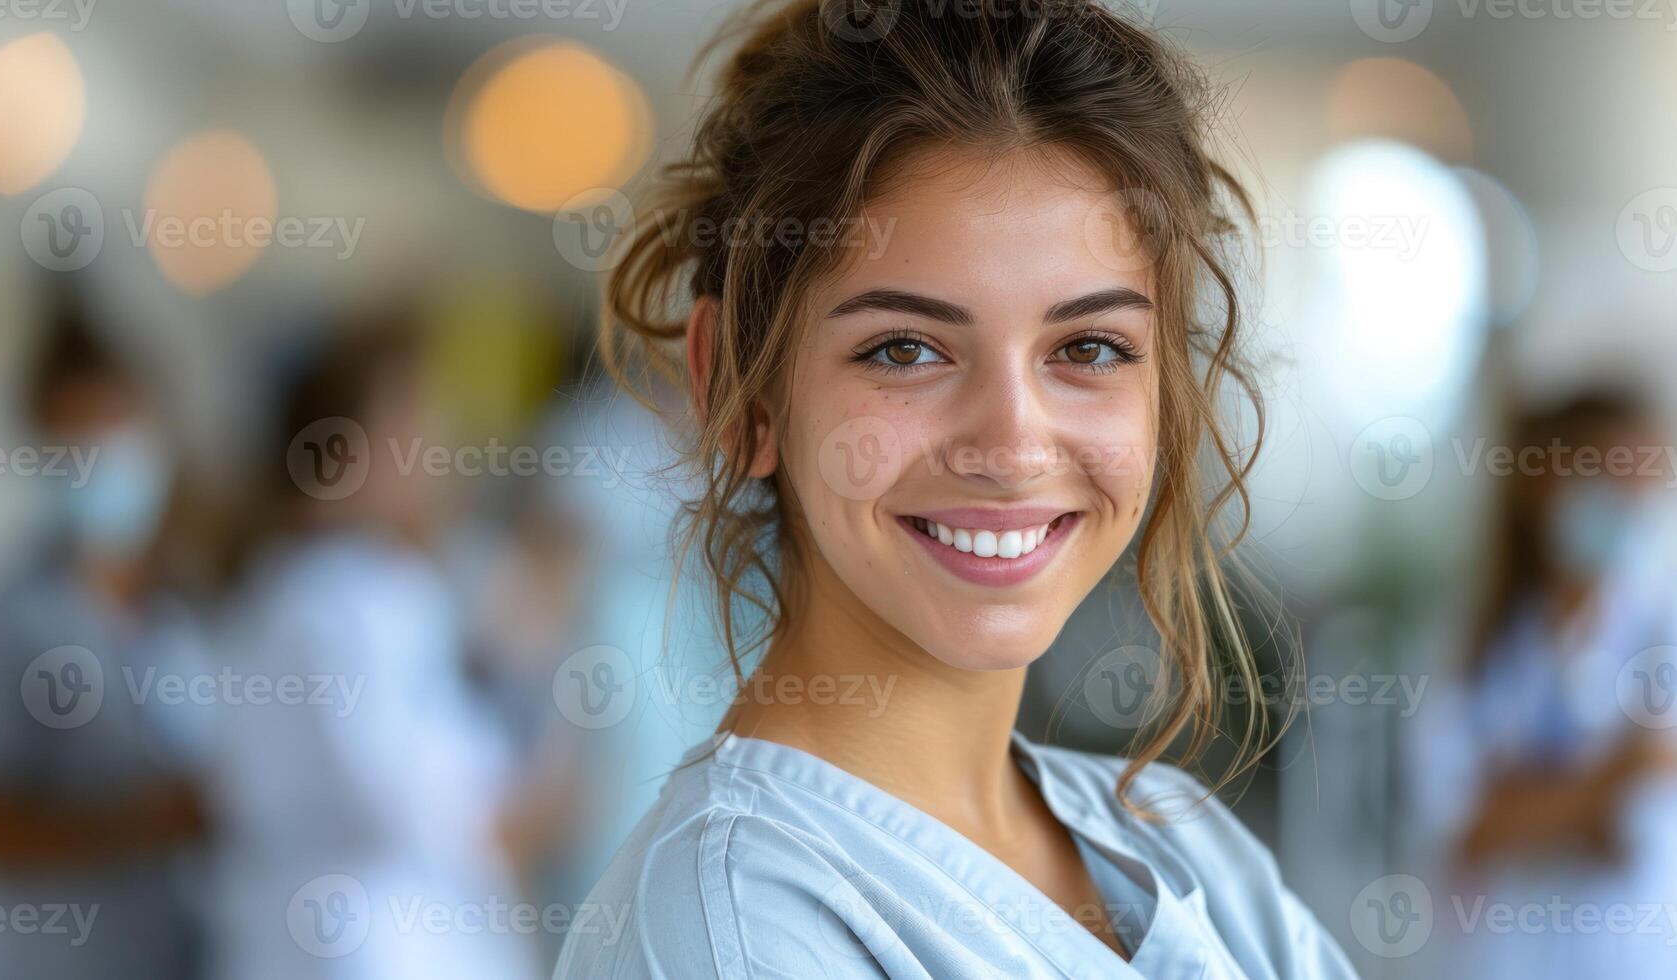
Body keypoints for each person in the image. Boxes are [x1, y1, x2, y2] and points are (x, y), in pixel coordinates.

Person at [553, 1, 1357, 976]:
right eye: (906, 348)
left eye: (1089, 347)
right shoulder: (737, 927)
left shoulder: (1183, 847)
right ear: (738, 388)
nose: (1014, 443)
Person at [204, 313, 541, 979]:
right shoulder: (341, 601)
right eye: (409, 428)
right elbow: (417, 802)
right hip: (366, 950)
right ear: (343, 450)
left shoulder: (338, 591)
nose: (433, 454)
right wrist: (533, 813)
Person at [0, 285, 210, 979]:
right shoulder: (11, 618)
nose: (99, 464)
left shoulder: (180, 610)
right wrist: (144, 823)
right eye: (74, 445)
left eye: (112, 433)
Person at [1414, 387, 1677, 976]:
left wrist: (1525, 794)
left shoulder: (1661, 628)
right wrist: (1612, 778)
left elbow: (1639, 826)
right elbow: (1464, 828)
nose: (1627, 501)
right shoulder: (1472, 637)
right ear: (1541, 485)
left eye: (1643, 481)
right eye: (1604, 475)